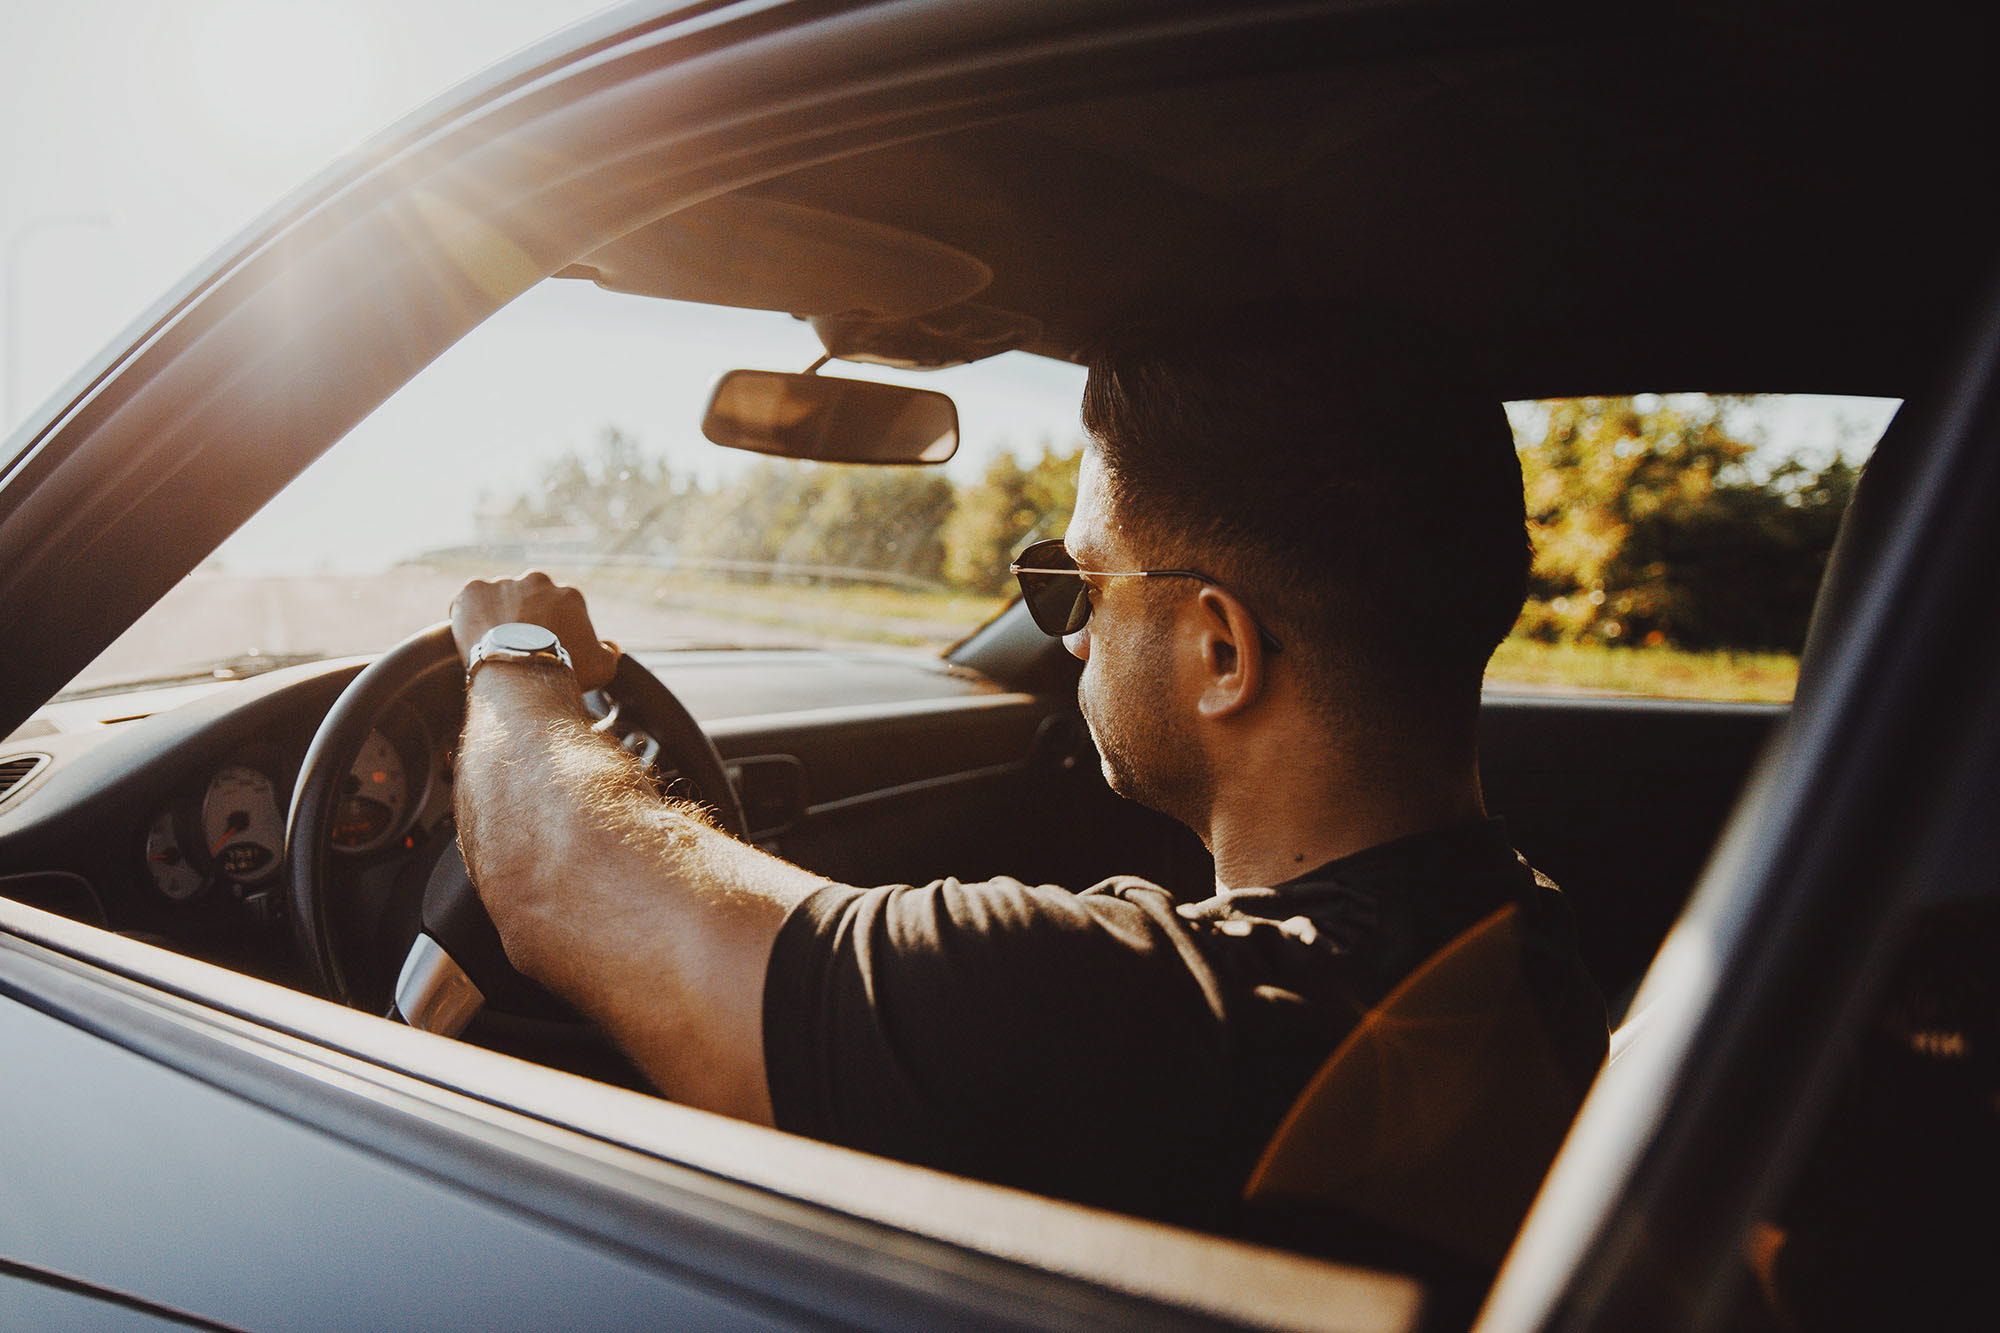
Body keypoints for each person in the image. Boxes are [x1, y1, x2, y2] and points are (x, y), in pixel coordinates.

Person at [447, 318, 1607, 1237]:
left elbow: (553, 876)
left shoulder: (1127, 1017)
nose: (1066, 637)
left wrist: (514, 659)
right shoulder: (1521, 935)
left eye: (1079, 583)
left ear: (1218, 651)